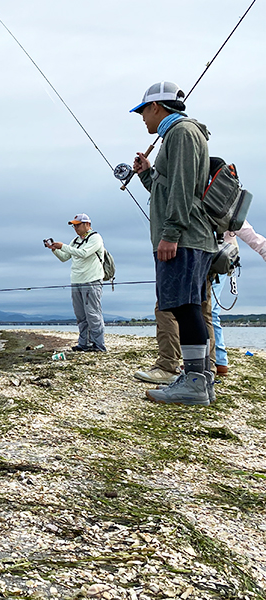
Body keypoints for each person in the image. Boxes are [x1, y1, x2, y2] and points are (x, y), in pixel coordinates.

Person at [130, 81, 216, 406]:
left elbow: (181, 189)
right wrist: (147, 174)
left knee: (185, 307)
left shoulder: (180, 132)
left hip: (186, 237)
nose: (142, 119)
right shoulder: (179, 135)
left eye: (142, 112)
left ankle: (195, 383)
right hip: (191, 236)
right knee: (187, 306)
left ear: (156, 107)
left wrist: (171, 234)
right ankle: (200, 380)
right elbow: (168, 190)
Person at [45, 213, 107, 352]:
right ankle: (83, 343)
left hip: (92, 281)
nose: (75, 228)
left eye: (78, 225)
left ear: (87, 225)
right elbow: (65, 257)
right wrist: (54, 249)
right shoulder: (75, 240)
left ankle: (99, 345)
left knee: (93, 313)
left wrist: (63, 246)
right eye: (74, 225)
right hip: (76, 281)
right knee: (81, 315)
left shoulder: (95, 238)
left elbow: (84, 253)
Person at [212, 220, 266, 375]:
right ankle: (216, 360)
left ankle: (218, 361)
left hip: (219, 258)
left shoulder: (225, 203)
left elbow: (248, 232)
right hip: (215, 257)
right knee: (207, 310)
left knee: (209, 311)